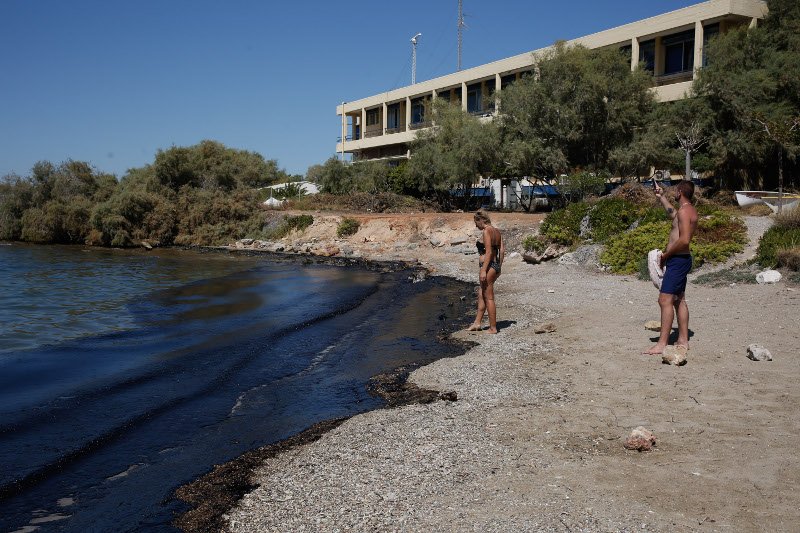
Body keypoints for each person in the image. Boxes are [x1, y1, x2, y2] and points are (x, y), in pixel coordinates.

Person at [643, 180, 698, 355]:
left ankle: (662, 344)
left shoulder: (684, 212)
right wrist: (661, 197)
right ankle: (682, 339)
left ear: (680, 191)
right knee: (678, 299)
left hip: (677, 261)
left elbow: (684, 240)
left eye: (675, 190)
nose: (674, 192)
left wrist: (666, 255)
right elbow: (673, 215)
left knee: (665, 300)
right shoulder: (687, 210)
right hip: (681, 260)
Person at [467, 210, 505, 334]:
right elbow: (502, 251)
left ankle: (493, 328)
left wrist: (484, 270)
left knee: (489, 297)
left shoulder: (486, 231)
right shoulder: (497, 231)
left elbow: (488, 252)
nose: (475, 225)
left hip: (488, 267)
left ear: (481, 220)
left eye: (476, 222)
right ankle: (477, 323)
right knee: (481, 294)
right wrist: (498, 267)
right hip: (495, 266)